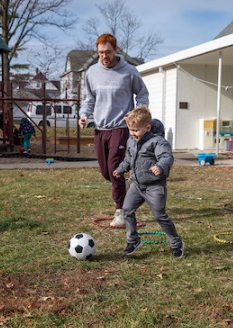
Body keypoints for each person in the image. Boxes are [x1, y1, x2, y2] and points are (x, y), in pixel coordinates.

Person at [79, 33, 149, 227]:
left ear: (116, 50)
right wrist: (84, 114)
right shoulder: (92, 72)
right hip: (100, 128)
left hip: (120, 127)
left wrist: (136, 115)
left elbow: (142, 94)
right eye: (101, 53)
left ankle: (121, 211)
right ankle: (123, 187)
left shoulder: (129, 71)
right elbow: (89, 99)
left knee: (114, 168)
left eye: (108, 52)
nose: (104, 56)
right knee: (105, 172)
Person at [113, 106, 185, 259]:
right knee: (126, 211)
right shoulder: (131, 141)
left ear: (147, 127)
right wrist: (120, 169)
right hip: (138, 185)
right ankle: (133, 240)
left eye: (136, 130)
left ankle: (176, 243)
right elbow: (129, 158)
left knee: (160, 216)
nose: (133, 133)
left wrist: (160, 166)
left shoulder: (157, 142)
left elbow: (167, 157)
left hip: (155, 187)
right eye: (131, 130)